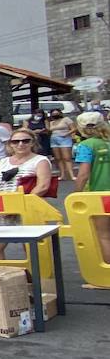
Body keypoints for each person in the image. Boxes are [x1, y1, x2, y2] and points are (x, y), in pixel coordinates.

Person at [0, 128, 53, 260]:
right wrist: (1, 205)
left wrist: (18, 205)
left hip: (29, 207)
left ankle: (38, 277)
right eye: (15, 141)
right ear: (10, 144)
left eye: (25, 141)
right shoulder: (2, 162)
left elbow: (42, 186)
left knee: (31, 246)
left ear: (32, 143)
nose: (20, 144)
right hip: (3, 209)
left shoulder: (40, 161)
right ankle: (2, 277)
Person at [73, 111, 110, 272]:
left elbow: (83, 174)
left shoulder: (86, 145)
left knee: (103, 235)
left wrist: (76, 193)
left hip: (98, 194)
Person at [49, 109, 77, 185]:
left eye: (56, 113)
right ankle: (62, 175)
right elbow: (50, 130)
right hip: (54, 139)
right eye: (53, 114)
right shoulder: (52, 122)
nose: (55, 115)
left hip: (65, 138)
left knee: (67, 158)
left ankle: (72, 175)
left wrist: (67, 134)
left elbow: (74, 128)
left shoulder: (66, 119)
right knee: (58, 158)